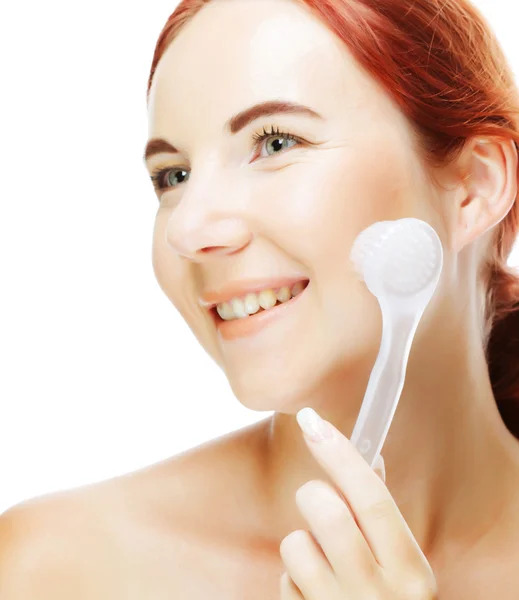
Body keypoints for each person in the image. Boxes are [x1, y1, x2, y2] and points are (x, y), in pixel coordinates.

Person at [2, 0, 519, 597]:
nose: (187, 230)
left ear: (475, 188)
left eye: (275, 143)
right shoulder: (54, 570)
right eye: (174, 176)